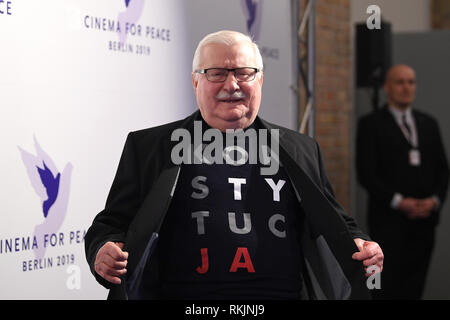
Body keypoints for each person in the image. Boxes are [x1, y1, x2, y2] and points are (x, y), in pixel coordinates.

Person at [85, 30, 383, 300]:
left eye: (244, 73)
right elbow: (110, 225)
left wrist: (364, 244)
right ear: (195, 81)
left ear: (260, 80)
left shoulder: (301, 150)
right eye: (216, 73)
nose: (232, 84)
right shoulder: (149, 148)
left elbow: (340, 223)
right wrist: (103, 249)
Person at [356, 64, 449, 299]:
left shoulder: (428, 123)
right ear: (387, 87)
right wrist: (400, 202)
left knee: (415, 287)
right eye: (400, 82)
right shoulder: (371, 124)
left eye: (411, 82)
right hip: (388, 225)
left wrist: (434, 201)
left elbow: (442, 170)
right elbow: (367, 173)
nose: (406, 87)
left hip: (423, 225)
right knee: (386, 288)